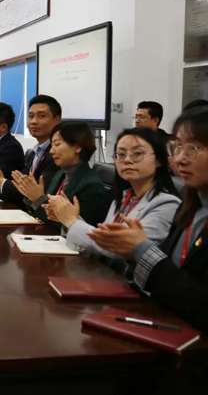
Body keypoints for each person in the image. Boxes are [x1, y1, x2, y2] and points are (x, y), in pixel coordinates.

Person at [89, 108, 208, 331]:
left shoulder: (169, 202)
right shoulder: (190, 207)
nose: (180, 159)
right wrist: (132, 254)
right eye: (178, 147)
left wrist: (140, 249)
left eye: (193, 148)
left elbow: (199, 302)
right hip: (166, 321)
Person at [46, 127, 180, 270]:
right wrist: (67, 218)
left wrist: (72, 221)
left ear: (159, 160)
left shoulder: (166, 203)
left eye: (137, 154)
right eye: (121, 154)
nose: (127, 160)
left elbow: (117, 248)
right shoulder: (124, 197)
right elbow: (102, 241)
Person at [14, 121, 110, 230]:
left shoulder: (91, 186)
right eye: (52, 145)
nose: (51, 151)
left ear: (77, 147)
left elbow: (76, 229)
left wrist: (38, 199)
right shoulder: (60, 174)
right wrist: (31, 196)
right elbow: (47, 212)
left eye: (57, 144)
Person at [0, 95, 62, 206]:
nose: (34, 121)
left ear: (56, 120)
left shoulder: (56, 154)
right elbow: (20, 185)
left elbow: (34, 192)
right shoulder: (35, 152)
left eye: (41, 116)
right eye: (31, 116)